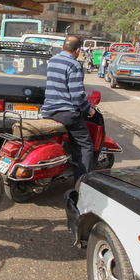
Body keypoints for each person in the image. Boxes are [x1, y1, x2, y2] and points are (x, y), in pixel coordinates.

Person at [41, 35, 95, 181]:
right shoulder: (74, 65)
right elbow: (77, 95)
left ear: (63, 47)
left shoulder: (52, 61)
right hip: (66, 114)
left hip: (48, 111)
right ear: (78, 50)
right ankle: (82, 183)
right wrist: (89, 109)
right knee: (84, 146)